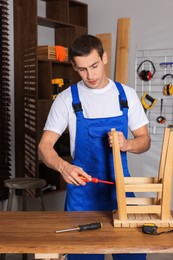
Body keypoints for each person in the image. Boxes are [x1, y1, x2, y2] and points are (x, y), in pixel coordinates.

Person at [38, 34, 151, 260]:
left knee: (132, 254)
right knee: (84, 256)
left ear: (104, 58)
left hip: (121, 189)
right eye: (82, 70)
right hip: (83, 196)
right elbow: (44, 148)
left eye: (94, 66)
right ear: (74, 66)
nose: (90, 75)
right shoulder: (66, 99)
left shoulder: (126, 95)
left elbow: (145, 141)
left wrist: (127, 144)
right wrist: (63, 167)